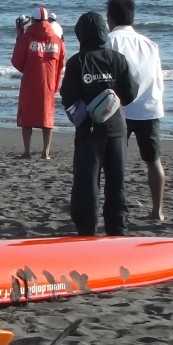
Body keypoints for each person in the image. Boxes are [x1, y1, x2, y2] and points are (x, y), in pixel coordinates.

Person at [61, 12, 138, 236]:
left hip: (89, 131)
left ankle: (87, 230)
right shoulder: (117, 59)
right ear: (104, 32)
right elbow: (130, 93)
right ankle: (117, 229)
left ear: (81, 34)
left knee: (87, 183)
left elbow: (67, 96)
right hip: (117, 130)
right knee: (116, 182)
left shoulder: (77, 62)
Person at [106, 0, 166, 220]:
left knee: (113, 161)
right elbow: (157, 78)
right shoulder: (149, 44)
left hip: (118, 108)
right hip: (149, 106)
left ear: (110, 19)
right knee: (153, 160)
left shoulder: (110, 41)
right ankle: (157, 210)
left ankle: (115, 207)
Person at [12, 7, 65, 159]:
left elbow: (17, 60)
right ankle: (46, 152)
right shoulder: (56, 39)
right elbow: (61, 62)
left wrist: (29, 68)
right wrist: (55, 82)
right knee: (47, 116)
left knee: (27, 116)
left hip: (30, 82)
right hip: (49, 83)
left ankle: (27, 151)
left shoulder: (27, 38)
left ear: (33, 20)